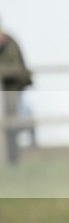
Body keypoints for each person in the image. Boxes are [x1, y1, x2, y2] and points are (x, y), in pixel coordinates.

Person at [0, 17, 33, 164]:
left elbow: (17, 67)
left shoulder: (10, 43)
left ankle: (12, 158)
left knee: (12, 123)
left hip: (10, 90)